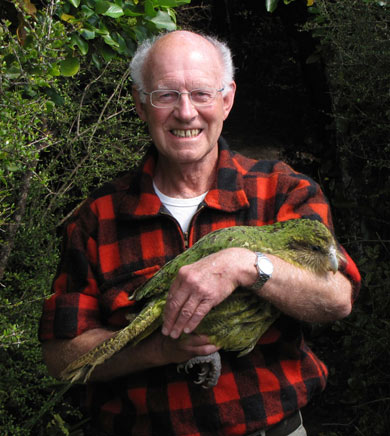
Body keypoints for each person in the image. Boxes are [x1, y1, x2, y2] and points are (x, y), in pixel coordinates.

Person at [39, 30, 361, 436]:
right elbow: (60, 357)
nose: (186, 112)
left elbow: (337, 298)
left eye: (202, 94)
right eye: (166, 95)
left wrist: (246, 265)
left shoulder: (283, 191)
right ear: (141, 104)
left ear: (227, 100)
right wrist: (157, 349)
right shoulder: (98, 218)